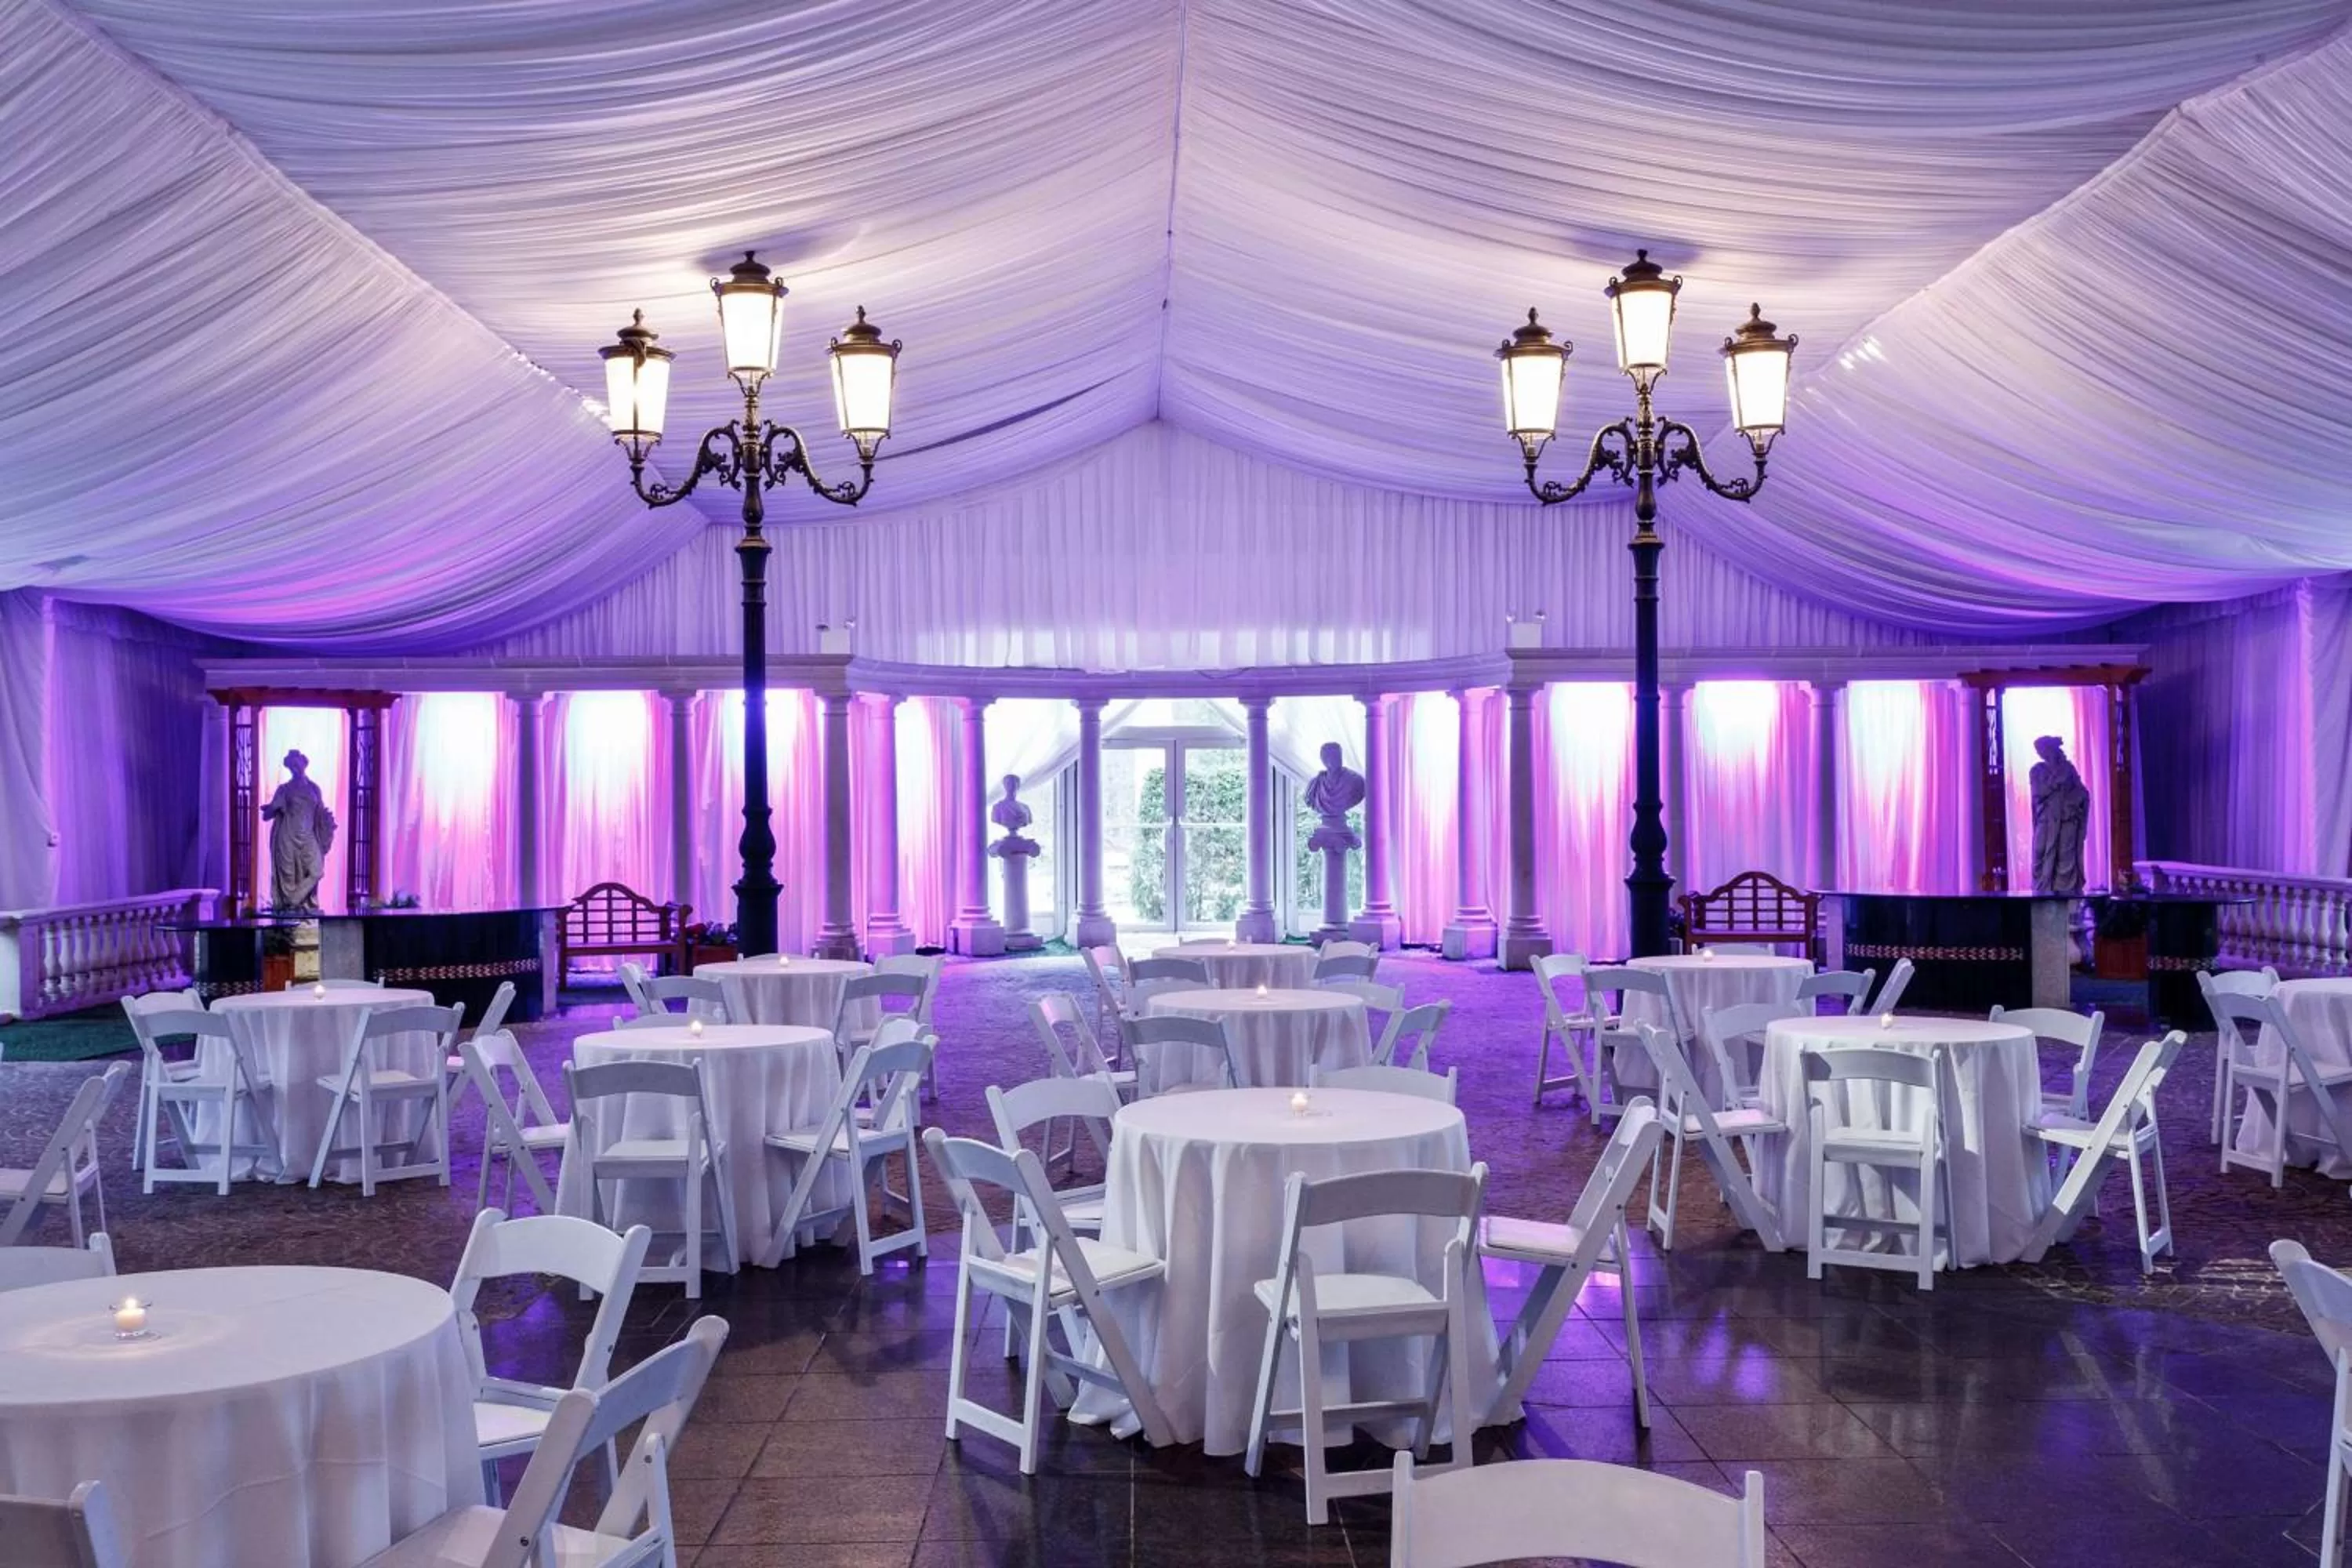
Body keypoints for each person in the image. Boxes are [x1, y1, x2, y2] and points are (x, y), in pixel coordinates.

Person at [262, 749, 337, 911]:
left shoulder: (314, 788)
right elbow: (267, 815)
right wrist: (275, 806)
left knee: (316, 871)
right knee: (288, 878)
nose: (295, 767)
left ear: (304, 764)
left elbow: (320, 812)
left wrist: (327, 825)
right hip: (287, 837)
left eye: (297, 764)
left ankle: (293, 901)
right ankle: (289, 911)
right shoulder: (284, 789)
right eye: (291, 765)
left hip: (308, 836)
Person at [2029, 735, 2090, 895]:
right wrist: (2056, 782)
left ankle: (2065, 891)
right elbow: (2038, 792)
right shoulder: (2037, 770)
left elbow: (2082, 792)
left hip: (2066, 820)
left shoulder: (2068, 769)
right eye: (2039, 751)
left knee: (2065, 856)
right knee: (2039, 852)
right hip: (2046, 820)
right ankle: (2042, 887)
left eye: (2043, 750)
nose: (2041, 754)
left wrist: (2074, 801)